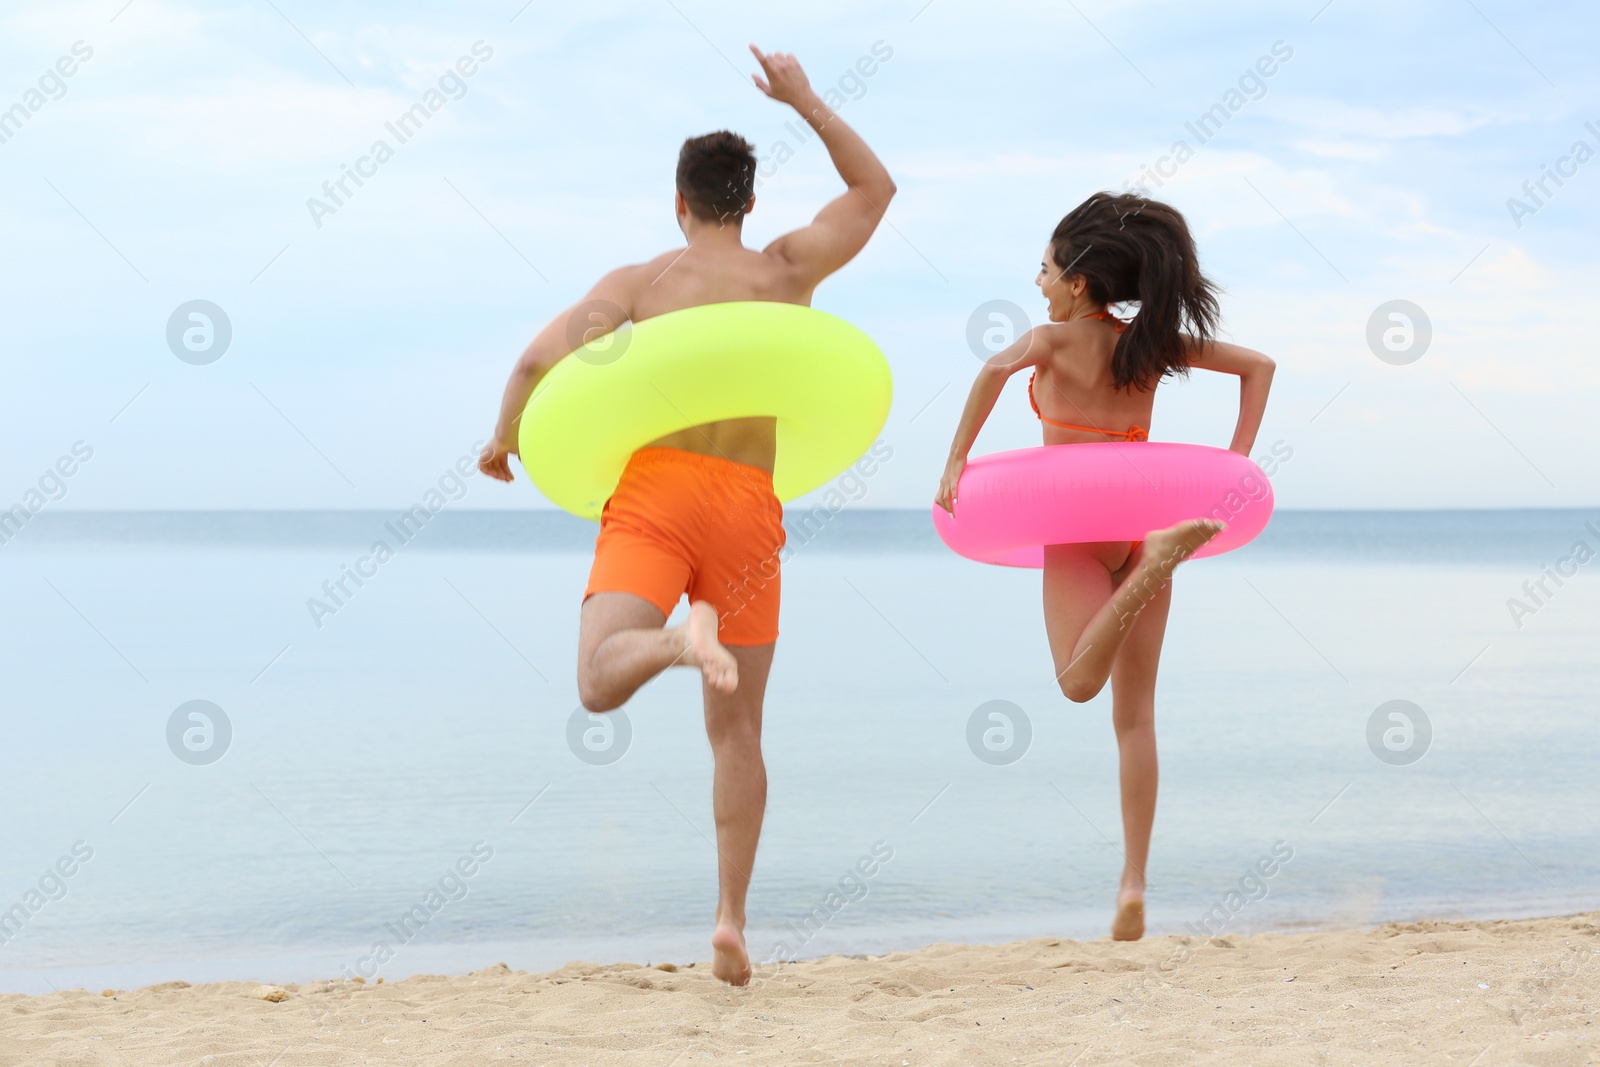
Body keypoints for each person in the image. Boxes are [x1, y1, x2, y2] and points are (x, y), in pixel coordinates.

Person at [478, 46, 895, 985]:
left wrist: (503, 439)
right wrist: (807, 100)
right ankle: (731, 920)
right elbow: (874, 192)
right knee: (738, 730)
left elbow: (538, 363)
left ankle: (674, 642)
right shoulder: (785, 270)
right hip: (750, 507)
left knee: (595, 679)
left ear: (679, 202)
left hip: (658, 490)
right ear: (748, 203)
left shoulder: (638, 284)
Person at [934, 192, 1275, 941]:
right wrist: (1234, 466)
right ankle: (1133, 883)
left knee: (1079, 682)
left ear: (1078, 284)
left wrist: (956, 458)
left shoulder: (1053, 340)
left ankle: (1153, 565)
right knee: (1136, 717)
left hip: (1079, 529)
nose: (1039, 281)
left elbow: (993, 369)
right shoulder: (1145, 343)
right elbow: (1259, 366)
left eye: (1047, 269)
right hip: (1143, 518)